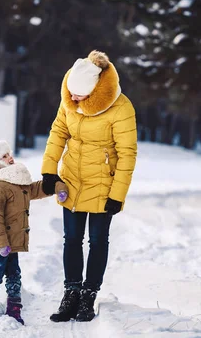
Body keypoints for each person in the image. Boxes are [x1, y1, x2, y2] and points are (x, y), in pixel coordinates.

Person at [41, 50, 137, 322]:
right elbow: (58, 133)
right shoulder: (69, 101)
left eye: (79, 94)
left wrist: (117, 195)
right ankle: (71, 293)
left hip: (103, 185)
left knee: (97, 241)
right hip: (71, 180)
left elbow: (127, 153)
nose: (72, 99)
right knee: (71, 239)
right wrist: (49, 171)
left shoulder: (121, 108)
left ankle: (89, 295)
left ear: (95, 90)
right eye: (70, 92)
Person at [0, 140, 67, 325]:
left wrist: (58, 187)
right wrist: (0, 244)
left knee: (14, 273)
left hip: (12, 241)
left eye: (9, 154)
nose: (10, 158)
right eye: (4, 156)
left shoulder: (14, 182)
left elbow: (35, 188)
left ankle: (14, 308)